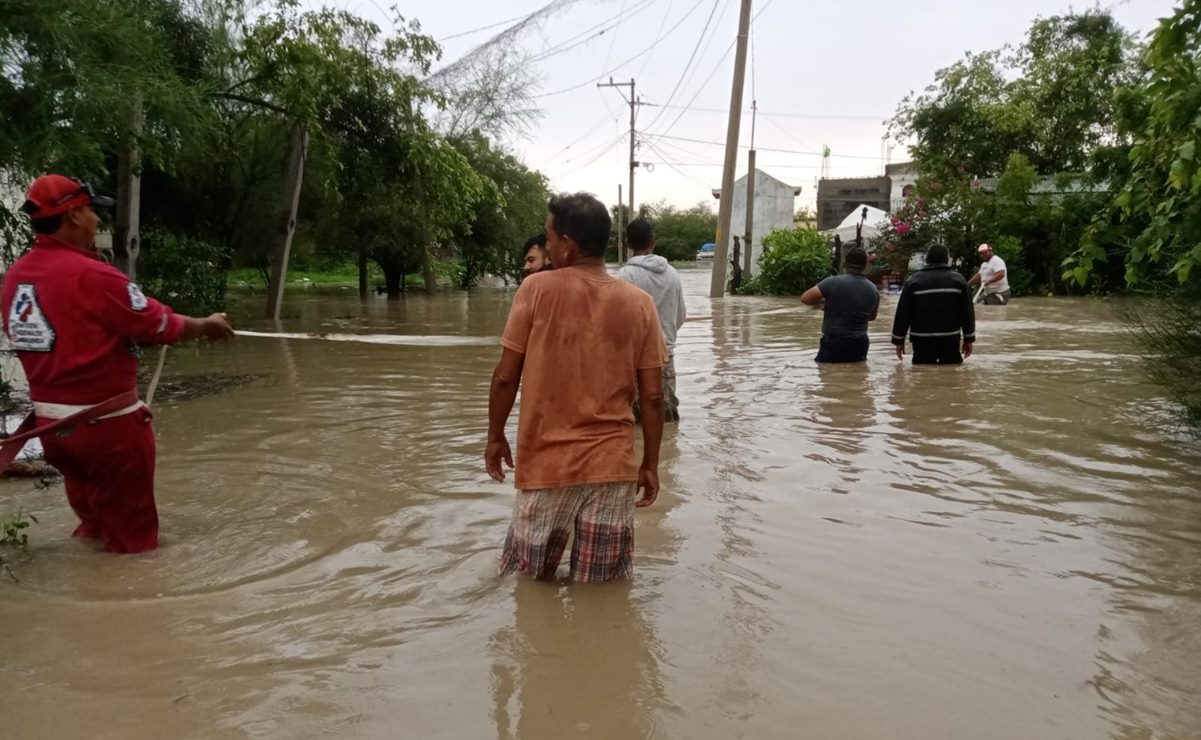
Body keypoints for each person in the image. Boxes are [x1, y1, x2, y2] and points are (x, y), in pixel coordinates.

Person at [0, 174, 234, 554]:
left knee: (94, 524)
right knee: (134, 547)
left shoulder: (16, 277)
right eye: (92, 211)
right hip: (109, 433)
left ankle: (88, 596)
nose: (97, 220)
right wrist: (206, 326)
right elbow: (157, 323)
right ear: (74, 215)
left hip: (54, 431)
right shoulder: (95, 275)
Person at [485, 193, 666, 583]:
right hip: (613, 468)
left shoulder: (535, 290)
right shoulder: (640, 304)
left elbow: (504, 377)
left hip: (546, 464)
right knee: (602, 593)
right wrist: (649, 463)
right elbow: (652, 395)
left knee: (527, 586)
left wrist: (495, 435)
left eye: (550, 238)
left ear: (567, 243)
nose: (547, 246)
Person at [617, 218, 686, 422]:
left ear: (626, 244)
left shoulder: (624, 276)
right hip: (666, 358)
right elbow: (680, 316)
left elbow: (618, 323)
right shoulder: (673, 274)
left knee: (635, 425)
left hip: (634, 361)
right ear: (653, 240)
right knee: (667, 423)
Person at [891, 244, 976, 364]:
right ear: (947, 259)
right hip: (950, 339)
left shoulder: (913, 281)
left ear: (927, 259)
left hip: (921, 340)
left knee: (921, 375)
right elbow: (967, 312)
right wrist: (969, 339)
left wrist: (899, 340)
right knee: (951, 375)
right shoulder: (959, 280)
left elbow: (903, 313)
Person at [801, 247, 880, 363]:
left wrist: (825, 302)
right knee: (857, 377)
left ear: (845, 263)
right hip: (860, 343)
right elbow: (872, 317)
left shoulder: (832, 282)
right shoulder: (873, 289)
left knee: (829, 376)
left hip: (834, 342)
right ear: (865, 266)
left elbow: (805, 299)